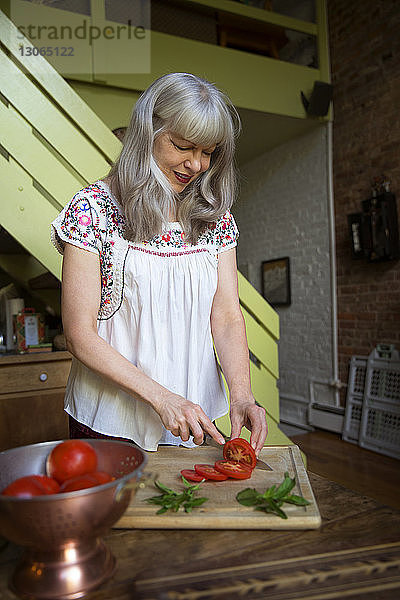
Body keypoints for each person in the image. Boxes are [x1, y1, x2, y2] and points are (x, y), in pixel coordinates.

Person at [51, 72, 268, 455]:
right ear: (147, 132)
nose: (197, 164)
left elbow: (227, 315)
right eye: (183, 146)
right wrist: (163, 398)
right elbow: (80, 335)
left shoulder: (214, 217)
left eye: (209, 152)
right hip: (110, 419)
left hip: (193, 418)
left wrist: (242, 395)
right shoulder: (92, 211)